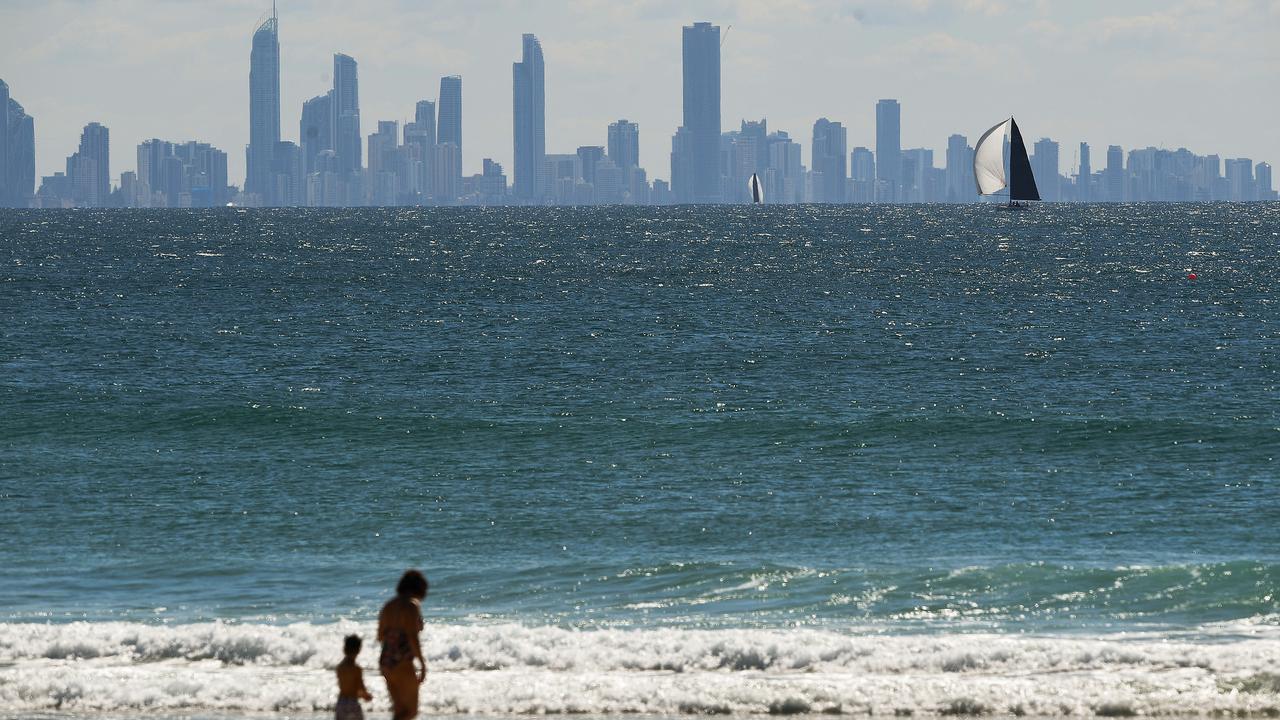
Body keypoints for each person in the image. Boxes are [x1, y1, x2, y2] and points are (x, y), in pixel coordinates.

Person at [378, 569, 428, 720]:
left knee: (399, 710)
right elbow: (412, 637)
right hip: (403, 661)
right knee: (411, 711)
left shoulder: (389, 605)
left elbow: (380, 635)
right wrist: (422, 663)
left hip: (386, 660)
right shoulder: (412, 605)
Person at [336, 634, 373, 720]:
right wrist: (366, 696)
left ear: (344, 649)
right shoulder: (357, 669)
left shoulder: (339, 668)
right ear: (358, 650)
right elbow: (360, 688)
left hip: (341, 703)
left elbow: (344, 686)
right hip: (352, 703)